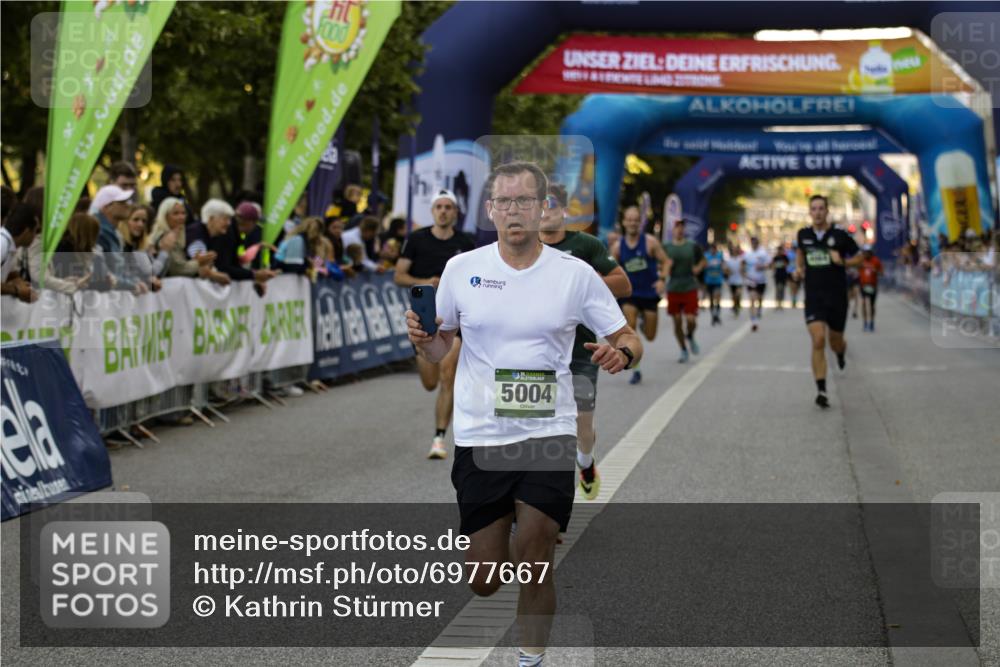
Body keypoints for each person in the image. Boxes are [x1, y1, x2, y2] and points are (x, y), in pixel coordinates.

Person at [406, 161, 642, 667]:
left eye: (524, 201)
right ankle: (502, 529)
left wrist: (620, 352)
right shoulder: (461, 269)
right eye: (504, 202)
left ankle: (529, 659)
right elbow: (438, 348)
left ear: (543, 208)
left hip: (548, 429)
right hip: (481, 433)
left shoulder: (574, 274)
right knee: (485, 579)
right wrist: (426, 340)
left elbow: (626, 335)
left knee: (536, 553)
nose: (514, 211)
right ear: (491, 209)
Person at [539, 183, 631, 501]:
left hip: (581, 350)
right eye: (539, 203)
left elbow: (623, 283)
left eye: (551, 204)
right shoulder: (523, 247)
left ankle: (586, 462)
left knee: (581, 425)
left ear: (565, 210)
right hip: (538, 354)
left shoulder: (586, 245)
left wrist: (580, 284)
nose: (545, 210)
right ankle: (546, 510)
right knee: (541, 430)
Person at [394, 189, 475, 459]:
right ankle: (440, 433)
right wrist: (427, 282)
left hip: (456, 320)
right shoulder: (417, 239)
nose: (443, 211)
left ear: (455, 212)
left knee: (448, 375)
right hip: (425, 318)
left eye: (448, 207)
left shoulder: (467, 242)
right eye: (438, 206)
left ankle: (439, 438)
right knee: (430, 382)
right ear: (432, 211)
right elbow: (399, 275)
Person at [793, 195, 862, 409]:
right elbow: (800, 254)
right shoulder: (803, 235)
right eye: (813, 209)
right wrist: (798, 269)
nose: (817, 212)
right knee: (818, 340)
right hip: (814, 297)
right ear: (810, 212)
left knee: (834, 341)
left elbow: (860, 257)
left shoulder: (840, 235)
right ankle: (821, 389)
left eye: (821, 208)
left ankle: (840, 352)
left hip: (837, 297)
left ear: (827, 211)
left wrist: (843, 261)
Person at [611, 205, 668, 383]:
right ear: (624, 222)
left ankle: (645, 323)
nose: (633, 223)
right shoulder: (617, 246)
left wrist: (662, 280)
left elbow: (666, 262)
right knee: (631, 326)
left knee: (650, 336)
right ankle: (636, 369)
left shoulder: (650, 242)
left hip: (649, 293)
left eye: (636, 219)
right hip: (630, 294)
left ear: (640, 222)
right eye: (629, 219)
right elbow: (609, 269)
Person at [188, 199, 277, 288]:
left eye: (229, 219)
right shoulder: (198, 233)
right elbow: (205, 265)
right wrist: (213, 274)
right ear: (211, 219)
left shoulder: (224, 234)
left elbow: (229, 263)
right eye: (225, 219)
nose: (228, 223)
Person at [91, 184, 148, 293]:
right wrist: (131, 285)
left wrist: (136, 281)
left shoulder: (113, 233)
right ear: (106, 207)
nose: (128, 205)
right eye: (121, 202)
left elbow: (121, 269)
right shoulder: (99, 233)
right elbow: (105, 273)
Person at [663, 219, 706, 362]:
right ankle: (683, 349)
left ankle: (691, 335)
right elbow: (660, 264)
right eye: (677, 227)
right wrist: (666, 268)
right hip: (674, 285)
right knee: (677, 321)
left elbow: (703, 260)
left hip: (689, 285)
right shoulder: (666, 247)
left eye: (682, 227)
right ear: (673, 230)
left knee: (691, 319)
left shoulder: (692, 246)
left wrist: (698, 268)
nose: (680, 229)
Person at [0, 203, 40, 302]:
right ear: (26, 231)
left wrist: (21, 284)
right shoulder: (3, 243)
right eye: (35, 231)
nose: (35, 237)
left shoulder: (9, 245)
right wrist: (16, 290)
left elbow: (10, 272)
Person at [743, 236, 771, 332]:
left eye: (755, 242)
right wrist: (744, 273)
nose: (753, 244)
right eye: (752, 243)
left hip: (761, 281)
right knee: (752, 300)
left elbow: (769, 264)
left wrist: (763, 266)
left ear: (758, 243)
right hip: (750, 280)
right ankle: (754, 321)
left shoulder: (763, 253)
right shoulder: (747, 253)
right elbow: (743, 264)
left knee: (759, 300)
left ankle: (758, 312)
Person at [858, 245, 883, 332]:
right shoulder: (860, 260)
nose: (866, 254)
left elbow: (881, 272)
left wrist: (875, 270)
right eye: (864, 252)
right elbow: (855, 269)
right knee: (864, 303)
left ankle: (871, 322)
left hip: (872, 285)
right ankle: (865, 323)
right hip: (863, 285)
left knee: (872, 305)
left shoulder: (876, 261)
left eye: (867, 252)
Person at [702, 241, 725, 326]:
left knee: (717, 296)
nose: (713, 251)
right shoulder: (706, 256)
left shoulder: (720, 256)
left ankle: (717, 313)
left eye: (714, 249)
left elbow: (723, 265)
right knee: (711, 299)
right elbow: (703, 266)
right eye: (712, 249)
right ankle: (713, 315)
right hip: (709, 280)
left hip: (718, 280)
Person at [725, 243, 745, 317]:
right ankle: (735, 307)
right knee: (733, 296)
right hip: (731, 280)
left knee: (738, 294)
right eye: (733, 250)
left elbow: (743, 269)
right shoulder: (729, 260)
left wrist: (742, 271)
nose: (734, 252)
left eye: (735, 250)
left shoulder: (740, 259)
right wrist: (728, 272)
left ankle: (738, 303)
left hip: (739, 280)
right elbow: (726, 270)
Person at [772, 242, 790, 310]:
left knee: (782, 289)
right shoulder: (775, 258)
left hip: (783, 275)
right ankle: (777, 303)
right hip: (777, 275)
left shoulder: (784, 257)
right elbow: (773, 266)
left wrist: (783, 263)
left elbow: (787, 264)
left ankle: (781, 303)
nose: (779, 252)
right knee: (777, 289)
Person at [785, 241, 801, 308]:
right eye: (794, 247)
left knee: (797, 288)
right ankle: (793, 300)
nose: (795, 248)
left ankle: (795, 298)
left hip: (798, 272)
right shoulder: (788, 254)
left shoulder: (799, 254)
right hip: (790, 272)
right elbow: (785, 262)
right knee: (792, 287)